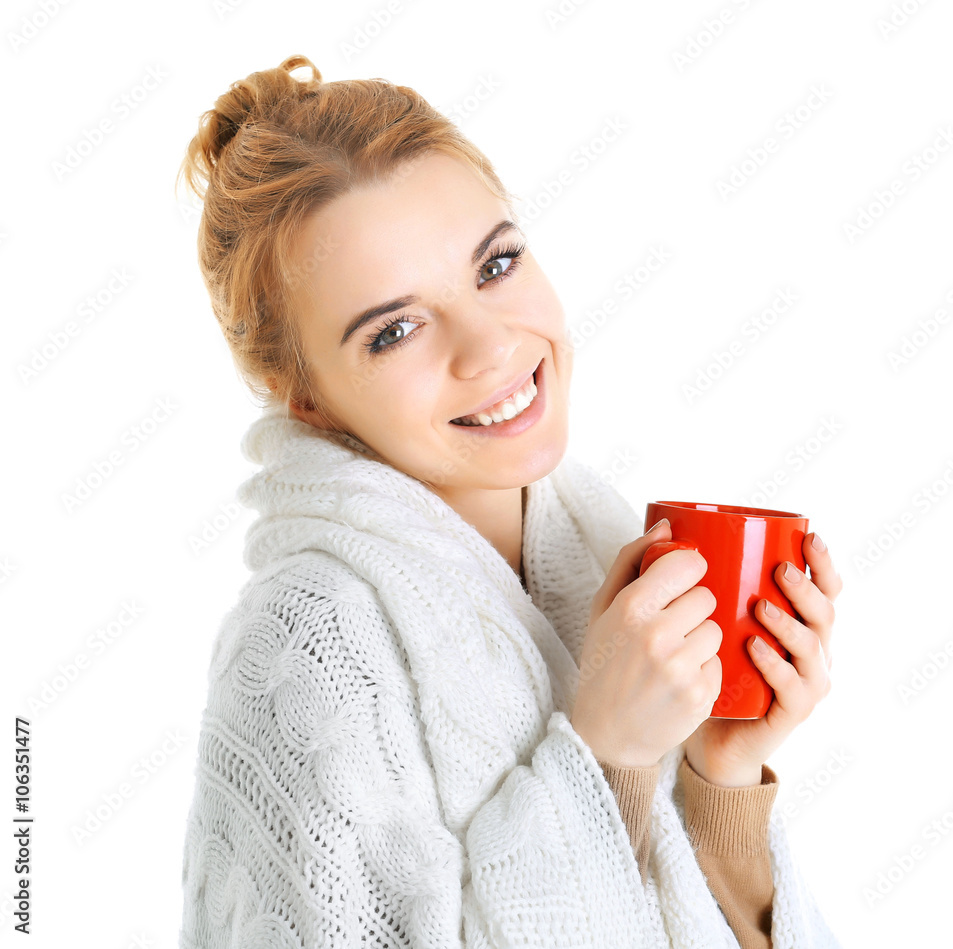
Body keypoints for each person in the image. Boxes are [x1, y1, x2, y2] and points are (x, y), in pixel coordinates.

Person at [175, 54, 843, 949]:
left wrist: (721, 780)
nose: (490, 346)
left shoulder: (599, 541)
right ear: (306, 397)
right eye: (396, 329)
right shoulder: (304, 652)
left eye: (495, 264)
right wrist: (604, 753)